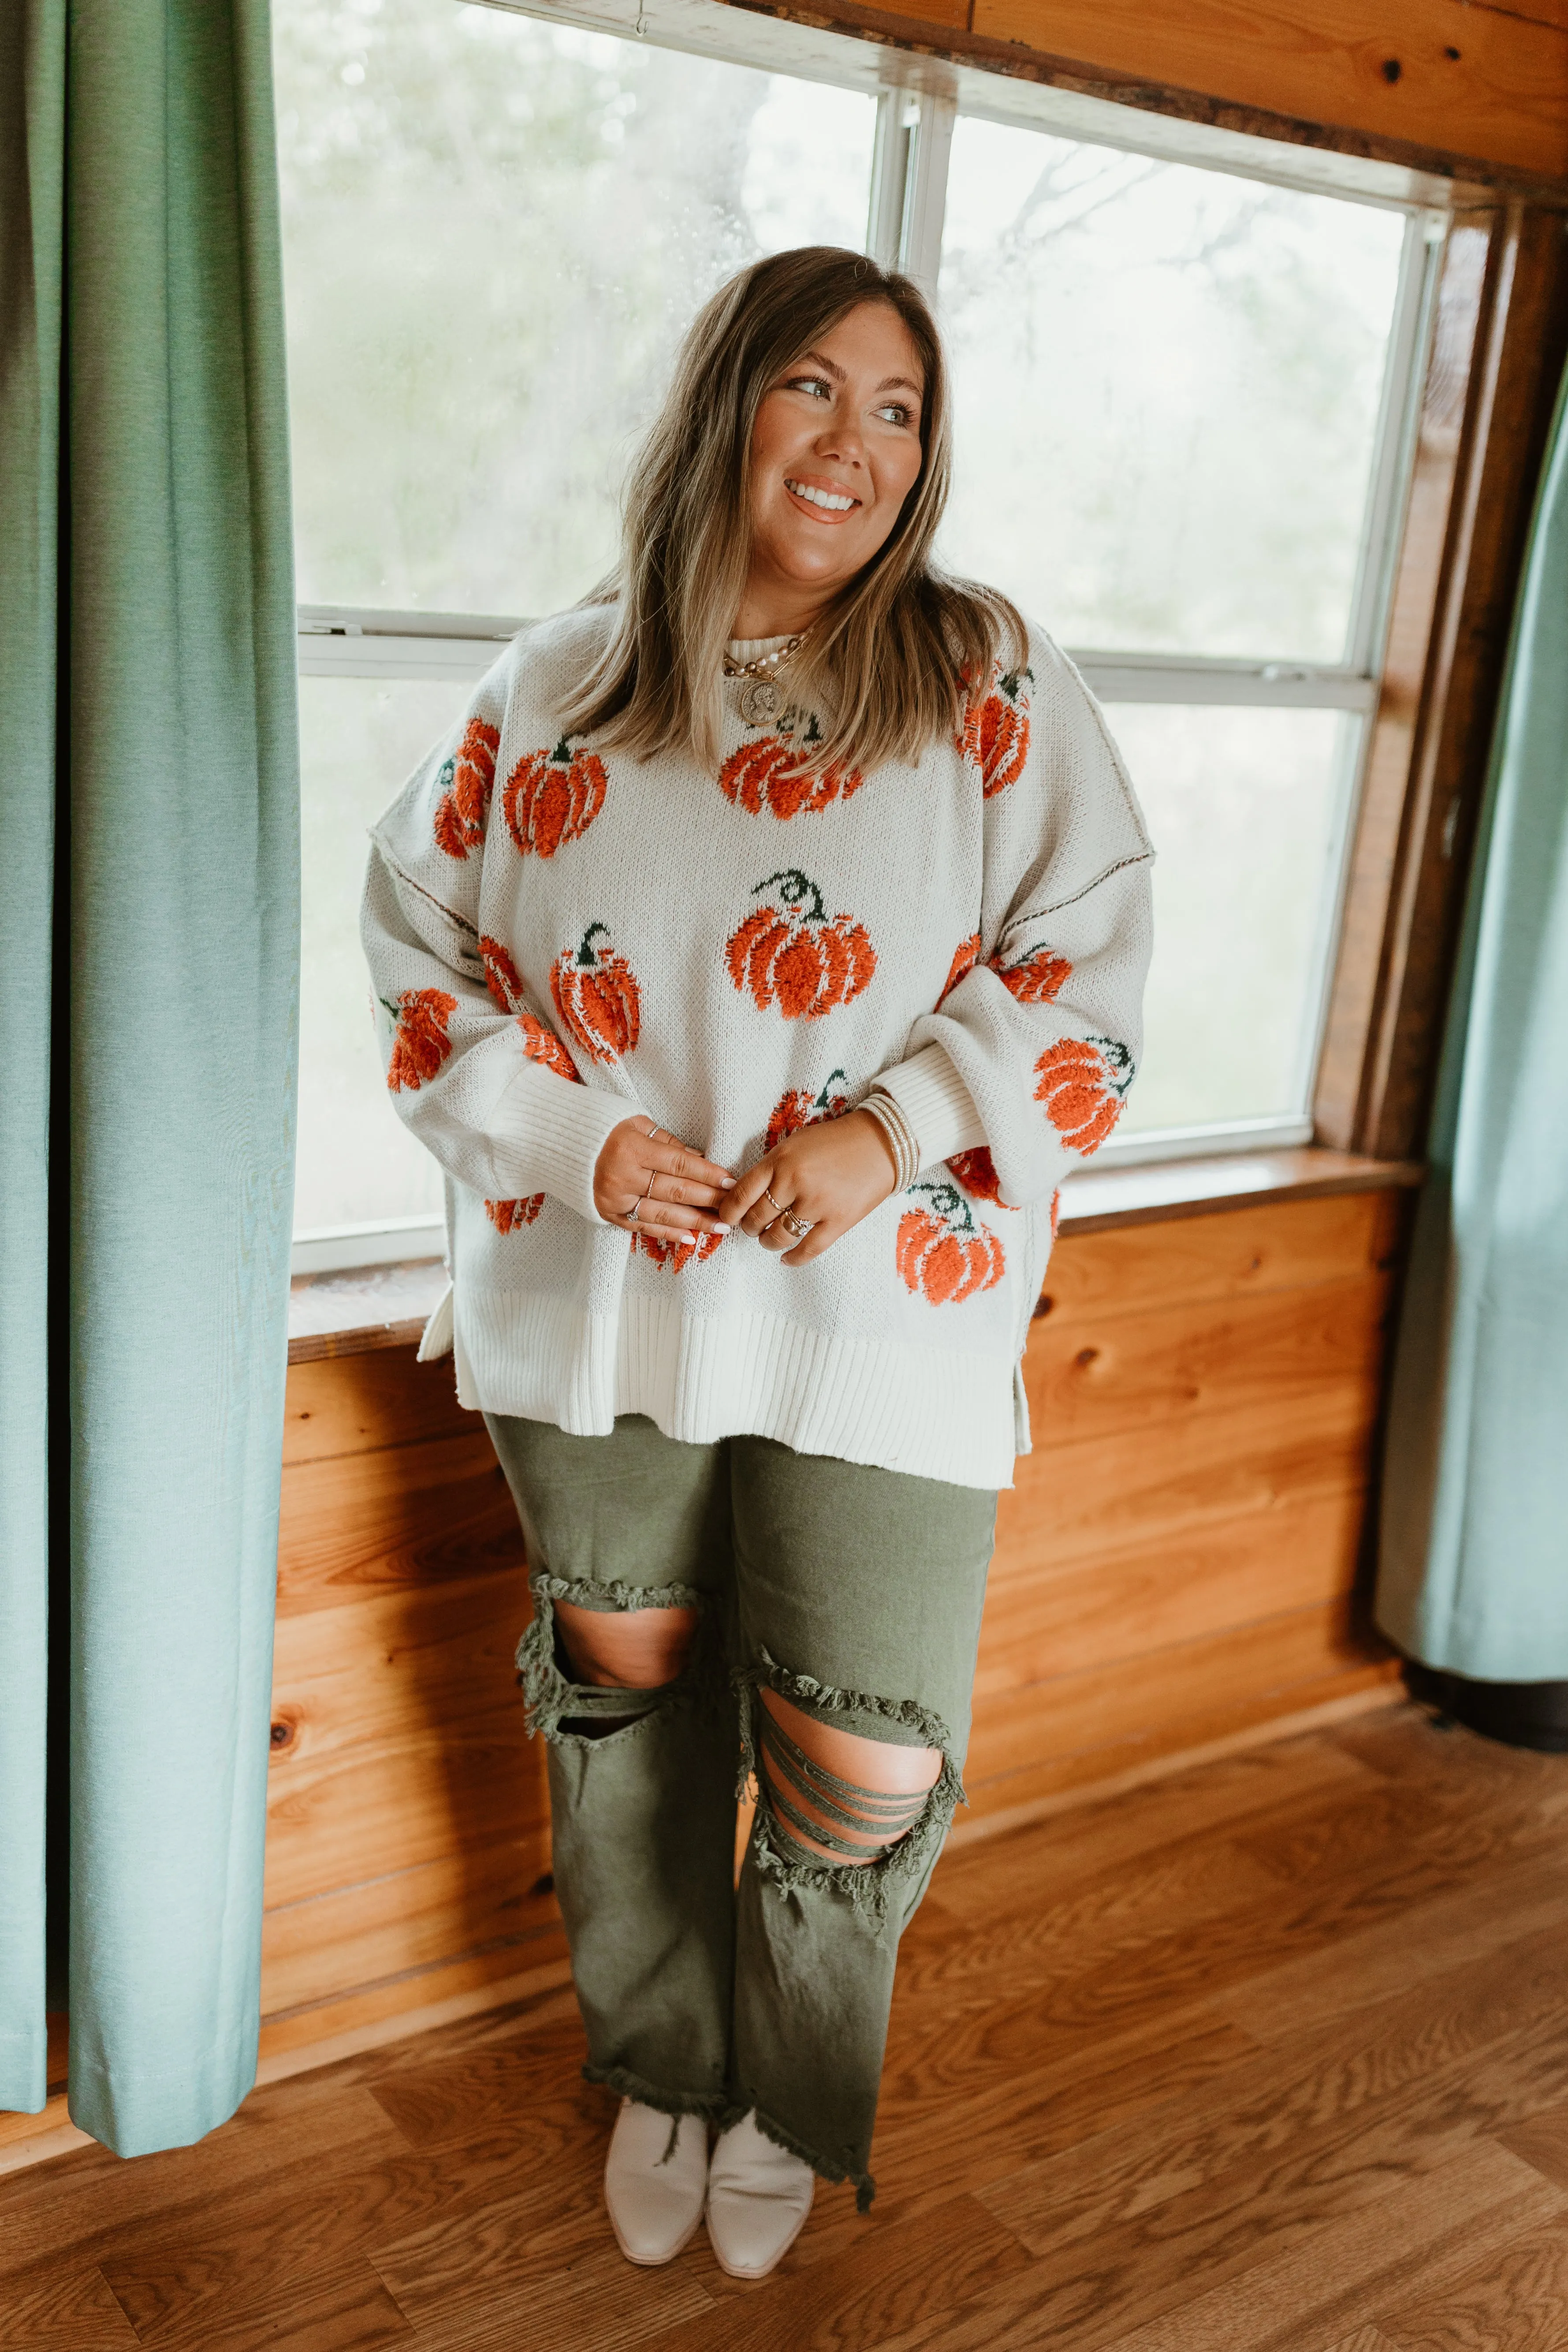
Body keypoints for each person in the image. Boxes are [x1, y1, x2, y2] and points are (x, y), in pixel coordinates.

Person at [361, 243, 1152, 2280]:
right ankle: (664, 2058)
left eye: (899, 410)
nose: (857, 443)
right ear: (726, 402)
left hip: (887, 1308)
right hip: (593, 1291)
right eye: (816, 387)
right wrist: (580, 1136)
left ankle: (793, 2091)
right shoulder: (552, 684)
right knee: (623, 1687)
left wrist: (888, 1128)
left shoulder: (980, 673)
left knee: (858, 1752)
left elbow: (1094, 964)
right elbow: (413, 951)